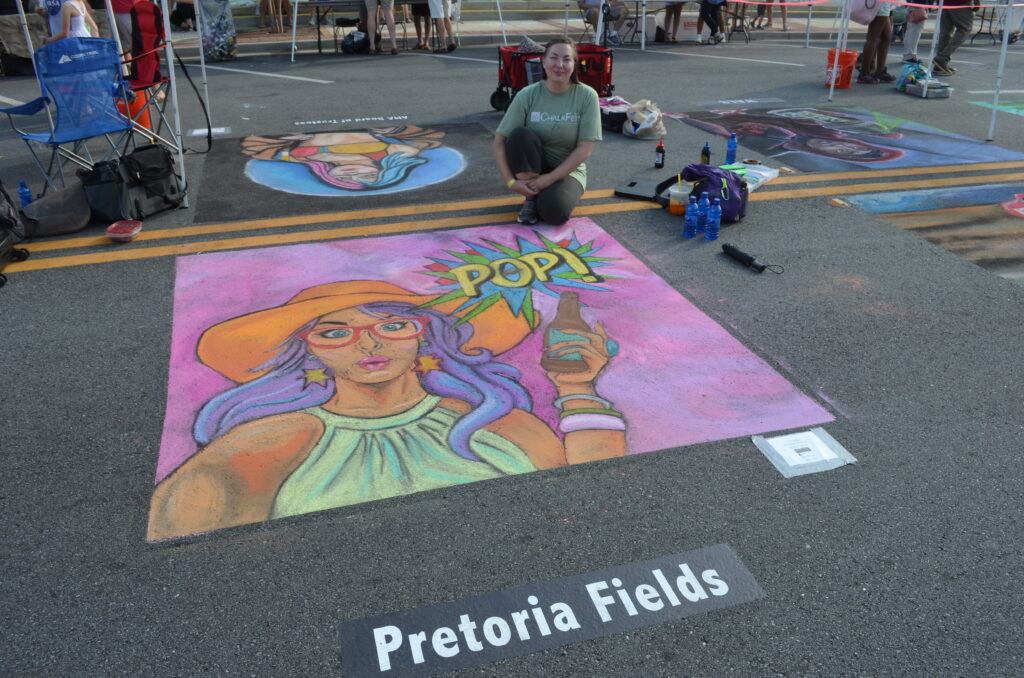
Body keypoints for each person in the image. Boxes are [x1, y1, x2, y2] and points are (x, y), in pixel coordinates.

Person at [147, 280, 626, 540]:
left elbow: (592, 501)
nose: (369, 342)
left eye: (393, 324)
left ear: (423, 333)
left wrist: (577, 385)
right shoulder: (273, 440)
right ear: (309, 351)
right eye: (335, 332)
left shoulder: (490, 418)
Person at [493, 37, 602, 226]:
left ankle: (543, 195)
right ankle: (531, 198)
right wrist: (511, 182)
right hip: (532, 168)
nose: (559, 65)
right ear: (543, 62)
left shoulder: (587, 96)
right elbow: (499, 140)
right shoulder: (527, 94)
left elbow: (585, 149)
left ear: (574, 64)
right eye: (554, 58)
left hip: (567, 171)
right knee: (519, 135)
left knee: (555, 213)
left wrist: (548, 179)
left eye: (567, 59)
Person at [241, 126, 445, 191]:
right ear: (381, 172)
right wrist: (393, 130)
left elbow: (254, 147)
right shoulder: (394, 153)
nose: (353, 175)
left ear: (331, 177)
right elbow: (426, 139)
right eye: (367, 177)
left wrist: (290, 142)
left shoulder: (299, 158)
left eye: (345, 180)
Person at [933, 0, 979, 76]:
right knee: (965, 29)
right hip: (960, 3)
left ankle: (939, 65)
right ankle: (942, 58)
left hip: (944, 2)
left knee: (946, 32)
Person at [857, 0, 894, 84]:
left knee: (886, 37)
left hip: (884, 4)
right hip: (879, 4)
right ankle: (864, 73)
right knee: (873, 37)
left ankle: (880, 71)